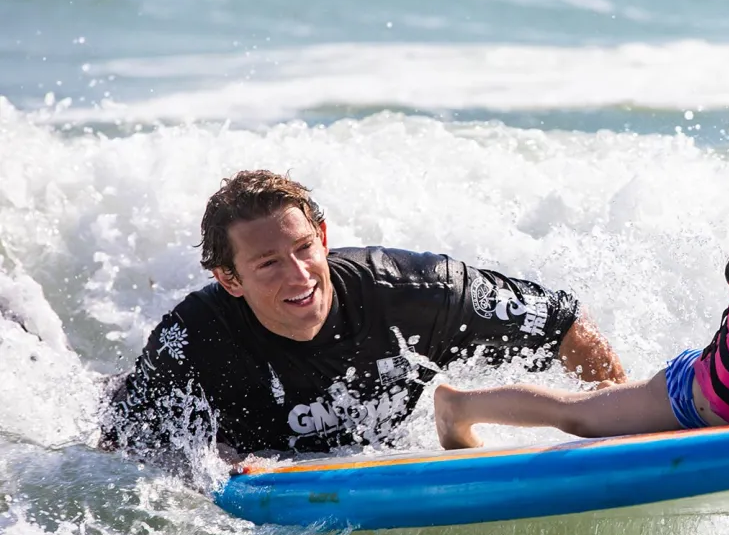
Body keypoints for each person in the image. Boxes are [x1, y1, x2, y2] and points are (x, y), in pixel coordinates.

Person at [101, 170, 626, 463]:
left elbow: (563, 323)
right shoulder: (193, 339)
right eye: (268, 264)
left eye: (305, 249)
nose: (299, 275)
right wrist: (220, 464)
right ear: (229, 279)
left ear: (323, 238)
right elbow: (122, 443)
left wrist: (618, 436)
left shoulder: (413, 293)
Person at [434, 142, 729, 449]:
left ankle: (613, 398)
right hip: (693, 401)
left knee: (603, 408)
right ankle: (459, 406)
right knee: (578, 418)